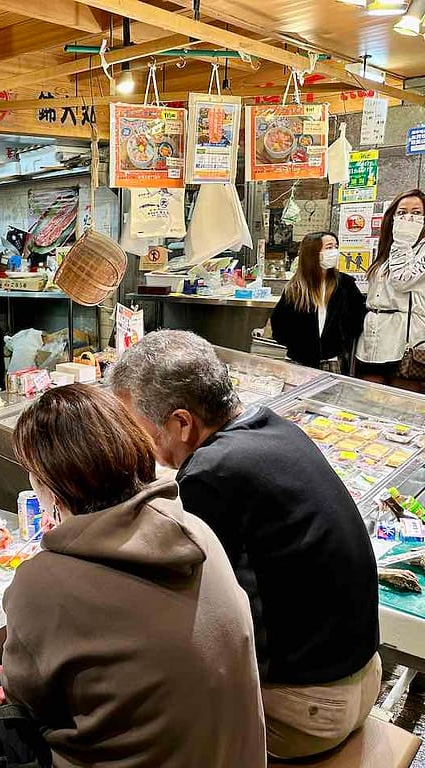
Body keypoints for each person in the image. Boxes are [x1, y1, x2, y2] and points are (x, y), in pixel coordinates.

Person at [108, 330, 380, 760]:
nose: (130, 438)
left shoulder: (211, 473)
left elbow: (191, 610)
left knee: (136, 719)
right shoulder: (271, 425)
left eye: (134, 426)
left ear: (181, 422)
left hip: (309, 708)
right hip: (360, 676)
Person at [0, 385, 265, 767]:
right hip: (239, 756)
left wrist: (13, 687)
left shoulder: (42, 583)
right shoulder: (195, 530)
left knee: (0, 722)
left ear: (51, 486)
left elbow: (26, 699)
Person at [355, 190, 425, 390]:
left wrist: (403, 241)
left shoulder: (414, 248)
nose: (408, 217)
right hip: (373, 336)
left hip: (405, 340)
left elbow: (402, 281)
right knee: (368, 398)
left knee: (400, 403)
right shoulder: (387, 249)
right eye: (402, 212)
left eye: (417, 212)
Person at [270, 231, 366, 372]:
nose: (334, 251)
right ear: (313, 252)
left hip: (332, 361)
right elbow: (279, 325)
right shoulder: (296, 288)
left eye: (336, 246)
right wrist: (297, 345)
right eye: (329, 247)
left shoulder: (345, 284)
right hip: (298, 362)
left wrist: (341, 340)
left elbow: (357, 317)